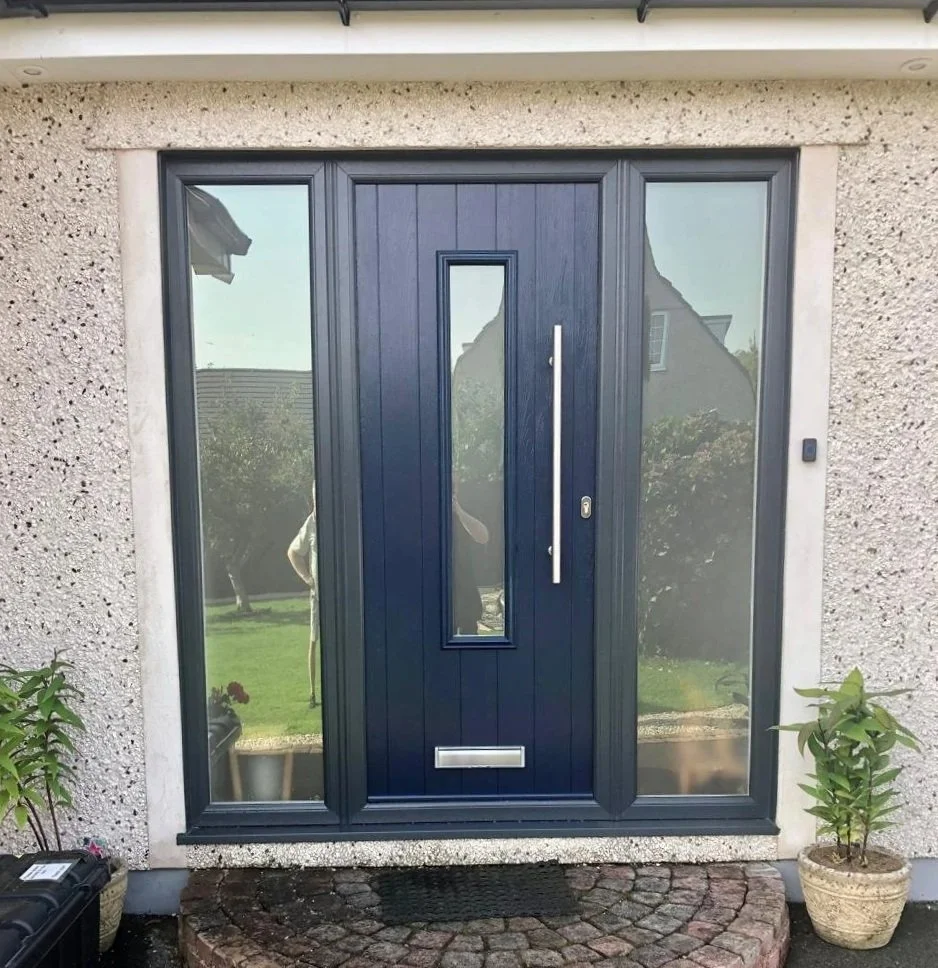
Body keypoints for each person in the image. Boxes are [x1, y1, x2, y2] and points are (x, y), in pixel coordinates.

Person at [287, 492, 320, 709]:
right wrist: (307, 578)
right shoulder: (311, 522)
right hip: (318, 594)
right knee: (313, 640)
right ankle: (313, 693)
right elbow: (292, 552)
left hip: (341, 594)